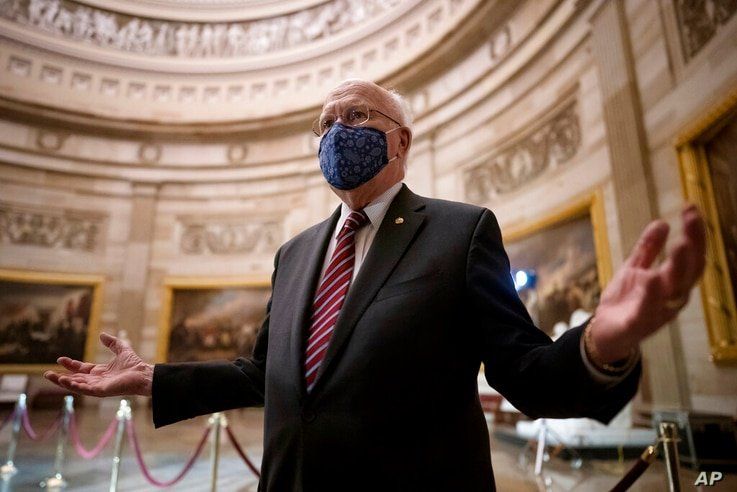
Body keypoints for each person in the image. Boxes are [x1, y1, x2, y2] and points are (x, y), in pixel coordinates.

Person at [44, 79, 706, 491]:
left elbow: (521, 370)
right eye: (325, 125)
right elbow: (260, 374)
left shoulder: (460, 232)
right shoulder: (295, 252)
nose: (336, 132)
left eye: (356, 116)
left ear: (401, 141)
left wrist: (601, 345)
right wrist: (151, 378)